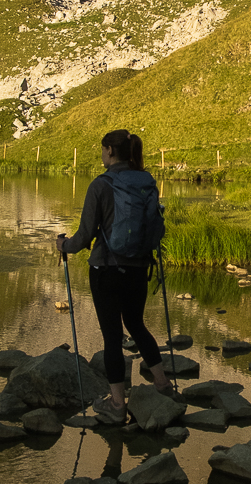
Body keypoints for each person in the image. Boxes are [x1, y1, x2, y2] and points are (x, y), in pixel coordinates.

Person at [56, 128, 172, 425]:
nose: (102, 155)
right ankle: (163, 386)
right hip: (138, 268)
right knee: (136, 324)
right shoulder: (146, 181)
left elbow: (84, 236)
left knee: (111, 336)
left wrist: (63, 246)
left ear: (109, 150)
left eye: (103, 150)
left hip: (106, 269)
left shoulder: (101, 184)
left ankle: (117, 405)